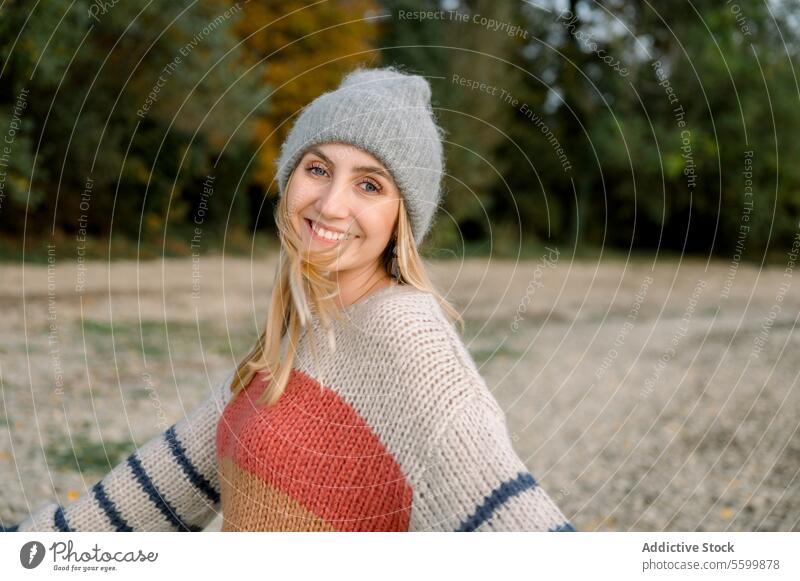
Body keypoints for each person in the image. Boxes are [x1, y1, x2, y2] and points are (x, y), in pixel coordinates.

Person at [3, 66, 576, 532]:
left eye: (369, 184)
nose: (329, 205)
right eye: (318, 168)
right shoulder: (299, 329)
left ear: (404, 215)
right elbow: (155, 491)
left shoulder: (410, 341)